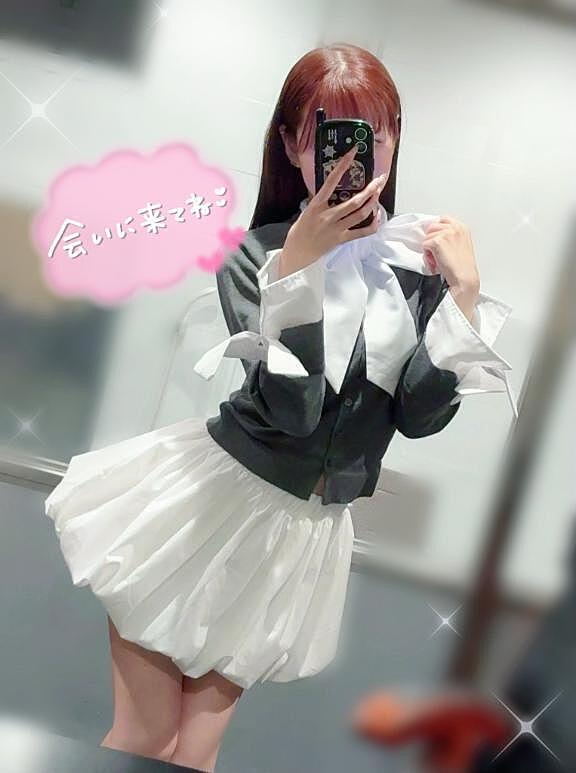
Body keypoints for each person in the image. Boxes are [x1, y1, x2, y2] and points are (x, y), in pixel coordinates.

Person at [44, 42, 517, 772]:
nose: (351, 155)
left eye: (372, 133)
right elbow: (292, 411)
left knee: (195, 754)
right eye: (329, 133)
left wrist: (463, 298)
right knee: (145, 741)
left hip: (298, 533)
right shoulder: (256, 257)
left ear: (394, 140)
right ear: (295, 144)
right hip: (208, 509)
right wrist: (296, 273)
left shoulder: (416, 267)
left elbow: (420, 417)